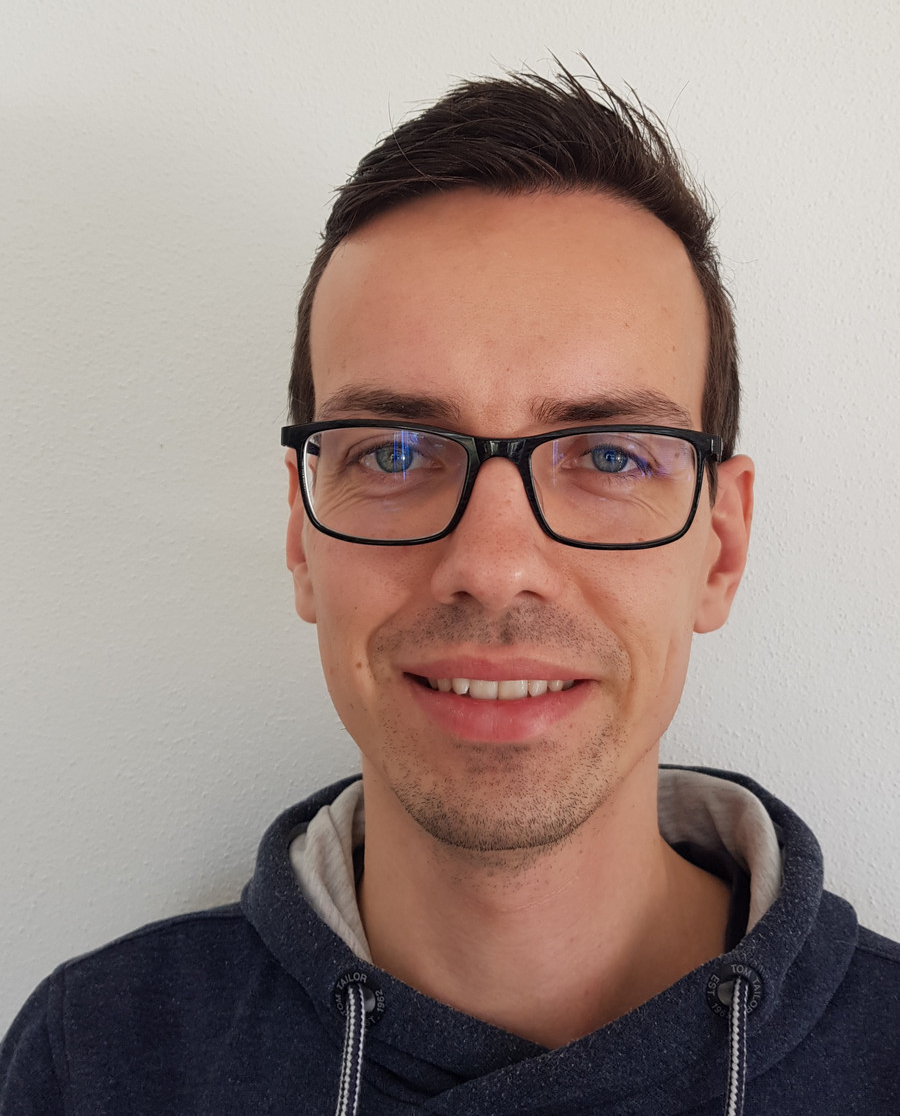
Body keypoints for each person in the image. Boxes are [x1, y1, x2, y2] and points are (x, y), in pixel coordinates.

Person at [2, 66, 898, 1115]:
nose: (494, 562)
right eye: (394, 451)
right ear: (302, 535)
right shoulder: (94, 1062)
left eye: (611, 455)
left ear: (722, 547)